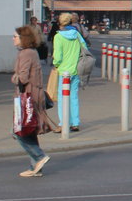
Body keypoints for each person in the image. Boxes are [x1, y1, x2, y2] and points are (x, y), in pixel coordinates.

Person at [11, 25, 53, 177]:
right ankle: (35, 167)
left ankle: (39, 156)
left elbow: (22, 77)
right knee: (29, 130)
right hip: (34, 94)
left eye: (15, 36)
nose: (13, 39)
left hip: (28, 96)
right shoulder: (31, 52)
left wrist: (13, 77)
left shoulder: (25, 54)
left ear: (23, 38)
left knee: (19, 131)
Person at [51, 12, 88, 131]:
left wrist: (55, 65)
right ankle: (75, 122)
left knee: (62, 97)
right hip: (76, 69)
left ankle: (63, 123)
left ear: (59, 23)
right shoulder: (76, 34)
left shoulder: (58, 37)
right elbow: (85, 49)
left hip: (63, 71)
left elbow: (58, 56)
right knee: (73, 96)